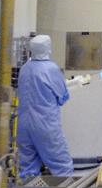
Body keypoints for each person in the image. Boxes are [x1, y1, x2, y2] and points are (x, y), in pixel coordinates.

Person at [16, 34, 74, 180]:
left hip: (23, 126)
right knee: (62, 167)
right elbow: (62, 97)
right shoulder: (51, 69)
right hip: (45, 125)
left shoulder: (24, 69)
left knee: (28, 170)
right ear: (48, 48)